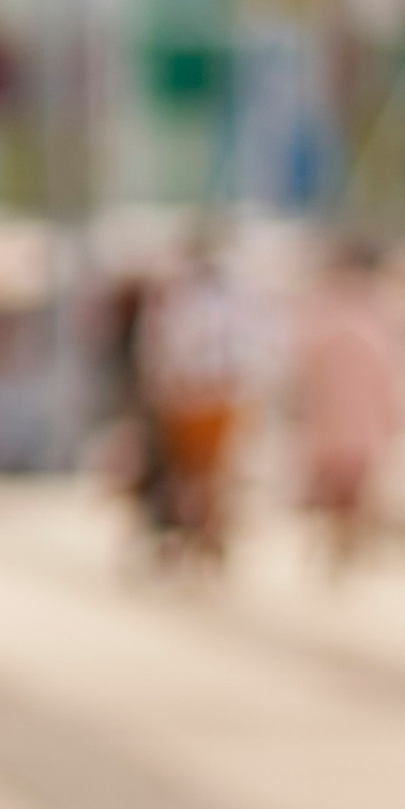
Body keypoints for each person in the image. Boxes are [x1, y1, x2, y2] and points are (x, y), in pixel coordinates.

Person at [289, 234, 405, 572]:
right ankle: (340, 542)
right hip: (336, 406)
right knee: (337, 481)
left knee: (355, 480)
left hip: (355, 405)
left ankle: (351, 543)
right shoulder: (328, 308)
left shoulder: (374, 308)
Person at [137, 218, 249, 566]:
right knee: (198, 477)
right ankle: (196, 535)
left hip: (198, 399)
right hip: (196, 399)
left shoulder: (191, 297)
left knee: (199, 477)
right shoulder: (189, 296)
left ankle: (199, 535)